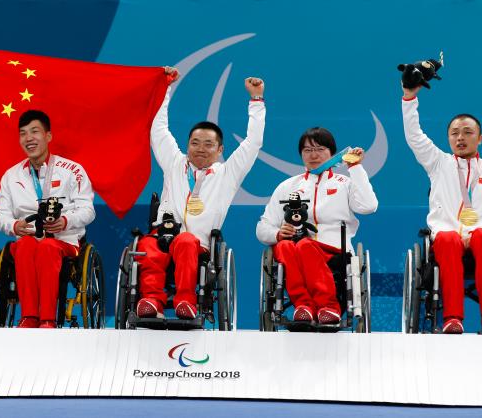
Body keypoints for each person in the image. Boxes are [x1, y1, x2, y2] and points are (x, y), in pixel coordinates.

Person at [135, 68, 266, 320]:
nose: (200, 149)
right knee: (147, 245)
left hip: (198, 245)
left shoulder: (227, 174)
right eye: (195, 143)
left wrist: (256, 100)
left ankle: (186, 301)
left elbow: (253, 142)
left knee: (185, 241)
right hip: (163, 235)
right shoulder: (174, 163)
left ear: (220, 150)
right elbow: (158, 129)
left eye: (208, 144)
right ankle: (151, 301)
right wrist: (166, 89)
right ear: (187, 145)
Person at [401, 84, 482, 334]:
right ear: (449, 138)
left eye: (467, 132)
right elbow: (414, 136)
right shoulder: (438, 163)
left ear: (480, 137)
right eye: (454, 133)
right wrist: (409, 97)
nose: (460, 138)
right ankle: (452, 318)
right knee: (448, 238)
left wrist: (476, 232)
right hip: (447, 235)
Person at [256, 129, 378, 324]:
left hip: (334, 251)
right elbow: (263, 228)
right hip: (295, 251)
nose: (313, 155)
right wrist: (278, 233)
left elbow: (369, 206)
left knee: (305, 245)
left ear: (333, 153)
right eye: (307, 150)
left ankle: (329, 306)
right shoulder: (287, 186)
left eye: (320, 149)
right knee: (284, 246)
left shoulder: (344, 184)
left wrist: (355, 168)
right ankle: (303, 306)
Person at [0, 110, 95, 328]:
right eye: (23, 134)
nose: (28, 138)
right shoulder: (11, 176)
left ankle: (48, 319)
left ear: (48, 136)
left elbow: (88, 210)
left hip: (64, 242)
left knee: (48, 247)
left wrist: (65, 221)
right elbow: (0, 215)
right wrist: (14, 225)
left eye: (35, 131)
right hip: (28, 238)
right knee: (25, 246)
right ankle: (29, 316)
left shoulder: (72, 171)